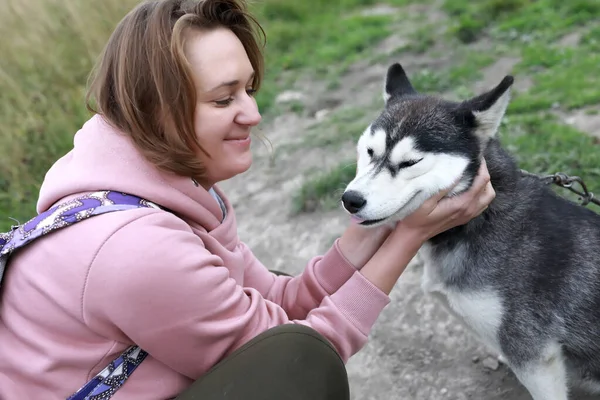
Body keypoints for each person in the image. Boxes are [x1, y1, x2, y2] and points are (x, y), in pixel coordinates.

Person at [0, 0, 495, 399]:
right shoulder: (135, 249)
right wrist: (411, 236)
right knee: (298, 373)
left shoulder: (163, 186)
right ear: (153, 110)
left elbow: (280, 307)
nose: (253, 114)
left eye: (250, 90)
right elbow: (297, 354)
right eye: (224, 99)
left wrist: (383, 218)